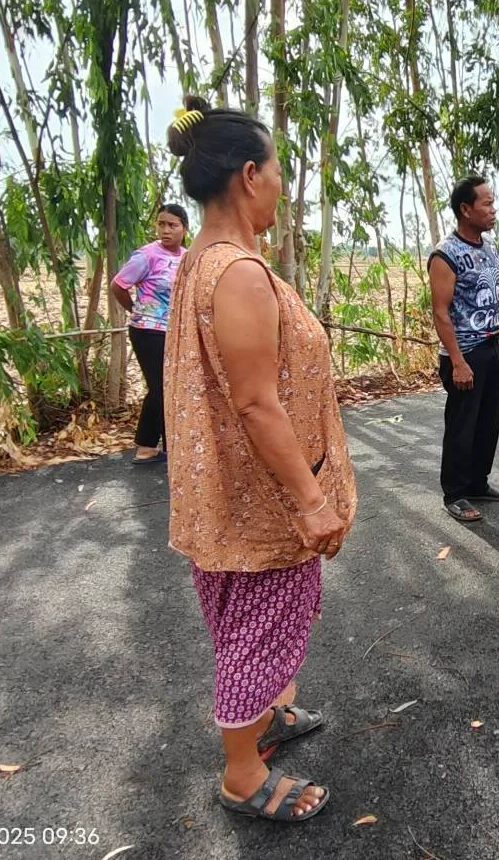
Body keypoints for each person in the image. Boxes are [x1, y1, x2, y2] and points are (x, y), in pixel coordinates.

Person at [162, 98, 355, 823]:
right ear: (249, 175)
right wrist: (312, 499)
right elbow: (254, 402)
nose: (280, 187)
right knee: (261, 626)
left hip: (226, 493)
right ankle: (243, 775)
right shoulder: (238, 273)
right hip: (261, 500)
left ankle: (266, 718)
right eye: (277, 172)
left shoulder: (197, 263)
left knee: (242, 619)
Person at [430, 177, 499, 523]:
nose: (494, 210)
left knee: (487, 423)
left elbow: (496, 298)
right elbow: (441, 312)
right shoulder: (446, 254)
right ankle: (454, 493)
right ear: (466, 209)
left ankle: (478, 482)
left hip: (489, 347)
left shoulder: (491, 248)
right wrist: (457, 362)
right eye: (487, 203)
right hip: (463, 353)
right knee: (462, 426)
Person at [112, 203, 189, 464]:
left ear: (184, 229)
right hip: (147, 330)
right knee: (161, 388)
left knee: (167, 387)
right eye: (161, 224)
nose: (166, 230)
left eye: (172, 225)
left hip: (173, 332)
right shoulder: (146, 256)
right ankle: (154, 447)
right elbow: (118, 285)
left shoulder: (187, 258)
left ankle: (154, 446)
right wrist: (136, 309)